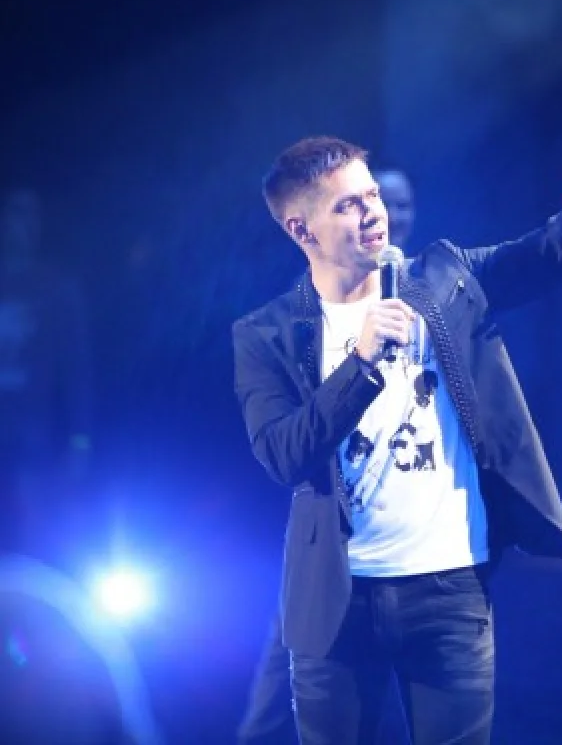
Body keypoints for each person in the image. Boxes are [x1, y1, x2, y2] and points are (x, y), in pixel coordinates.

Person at [230, 78, 562, 744]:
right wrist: (359, 363)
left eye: (372, 195)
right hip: (336, 602)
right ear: (301, 229)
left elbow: (559, 243)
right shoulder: (267, 334)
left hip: (448, 590)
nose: (373, 213)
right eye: (348, 206)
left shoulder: (445, 279)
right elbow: (283, 454)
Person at [236, 169, 419, 744]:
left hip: (411, 556)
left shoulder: (430, 296)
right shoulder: (306, 310)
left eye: (395, 203)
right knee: (283, 684)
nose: (385, 214)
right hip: (328, 541)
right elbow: (287, 439)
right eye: (359, 202)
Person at [0, 188, 92, 558]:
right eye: (12, 214)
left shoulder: (55, 290)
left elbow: (76, 369)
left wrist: (80, 440)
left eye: (28, 216)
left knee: (33, 534)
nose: (19, 225)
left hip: (35, 438)